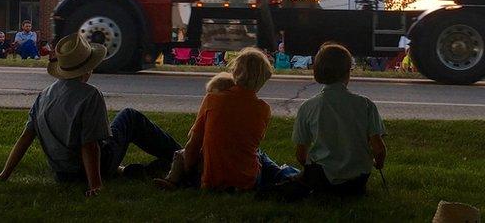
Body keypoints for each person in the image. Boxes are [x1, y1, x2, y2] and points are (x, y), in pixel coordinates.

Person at [0, 33, 181, 196]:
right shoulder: (90, 95)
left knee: (124, 157)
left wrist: (3, 175)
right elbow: (89, 145)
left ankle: (145, 169)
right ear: (88, 67)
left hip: (63, 175)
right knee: (129, 117)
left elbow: (26, 137)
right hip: (89, 170)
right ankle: (184, 158)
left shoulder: (44, 95)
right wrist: (96, 184)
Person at [153, 48, 297, 191]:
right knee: (259, 154)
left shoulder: (213, 99)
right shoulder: (263, 109)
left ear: (235, 71)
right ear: (263, 79)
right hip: (247, 182)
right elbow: (253, 141)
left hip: (212, 181)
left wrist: (189, 170)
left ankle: (172, 181)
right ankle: (290, 176)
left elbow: (194, 143)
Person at [291, 43, 386, 196]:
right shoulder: (366, 104)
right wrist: (378, 163)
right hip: (358, 180)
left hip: (322, 178)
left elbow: (301, 155)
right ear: (348, 72)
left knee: (288, 182)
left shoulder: (307, 107)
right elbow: (379, 149)